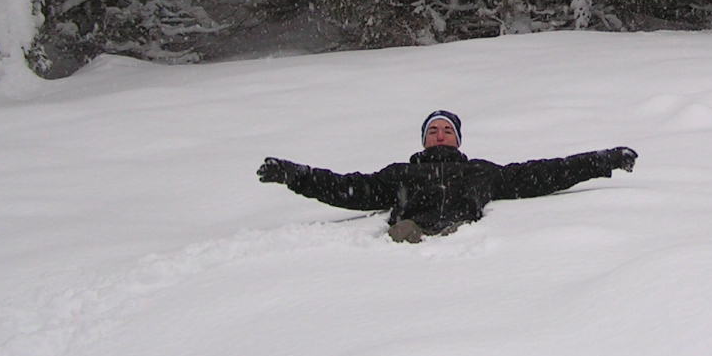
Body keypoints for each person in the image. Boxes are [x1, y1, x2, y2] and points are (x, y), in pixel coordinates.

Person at [257, 110, 638, 243]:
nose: (440, 136)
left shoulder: (480, 172)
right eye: (433, 132)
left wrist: (602, 160)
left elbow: (544, 173)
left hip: (460, 235)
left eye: (446, 131)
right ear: (424, 140)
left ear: (457, 139)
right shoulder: (400, 173)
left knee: (457, 236)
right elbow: (347, 189)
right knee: (405, 234)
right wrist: (294, 174)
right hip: (409, 235)